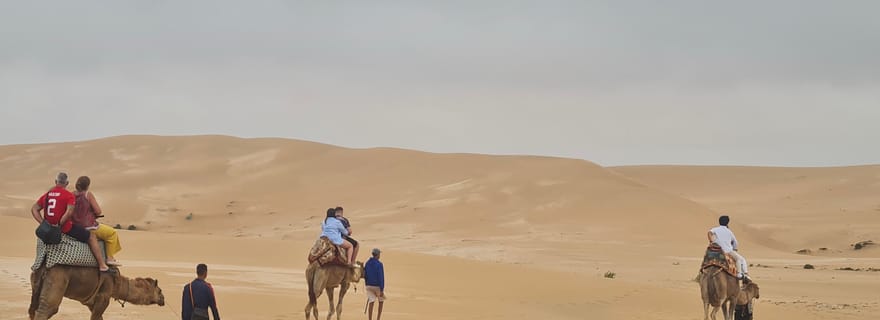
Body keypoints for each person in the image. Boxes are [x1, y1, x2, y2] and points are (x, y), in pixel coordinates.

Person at [31, 172, 115, 273]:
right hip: (65, 228)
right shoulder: (68, 195)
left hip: (47, 228)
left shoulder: (47, 195)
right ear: (66, 183)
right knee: (91, 237)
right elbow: (69, 212)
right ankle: (102, 265)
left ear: (55, 181)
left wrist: (44, 223)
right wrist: (59, 224)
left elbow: (34, 209)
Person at [71, 176, 123, 266]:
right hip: (89, 227)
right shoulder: (88, 194)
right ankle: (110, 258)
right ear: (87, 186)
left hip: (75, 227)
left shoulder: (71, 195)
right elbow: (98, 211)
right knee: (112, 233)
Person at [708, 215, 750, 282]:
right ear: (727, 223)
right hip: (727, 251)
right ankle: (741, 273)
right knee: (739, 259)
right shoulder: (729, 231)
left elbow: (709, 232)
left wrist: (711, 241)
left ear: (719, 222)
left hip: (717, 251)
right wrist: (735, 249)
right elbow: (735, 243)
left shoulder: (715, 229)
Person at [364, 248, 386, 320]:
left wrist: (367, 285)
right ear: (377, 255)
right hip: (377, 286)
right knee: (381, 301)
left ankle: (370, 319)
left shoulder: (367, 263)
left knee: (371, 301)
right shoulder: (379, 264)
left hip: (368, 285)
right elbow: (381, 277)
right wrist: (382, 289)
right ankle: (378, 318)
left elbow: (365, 275)